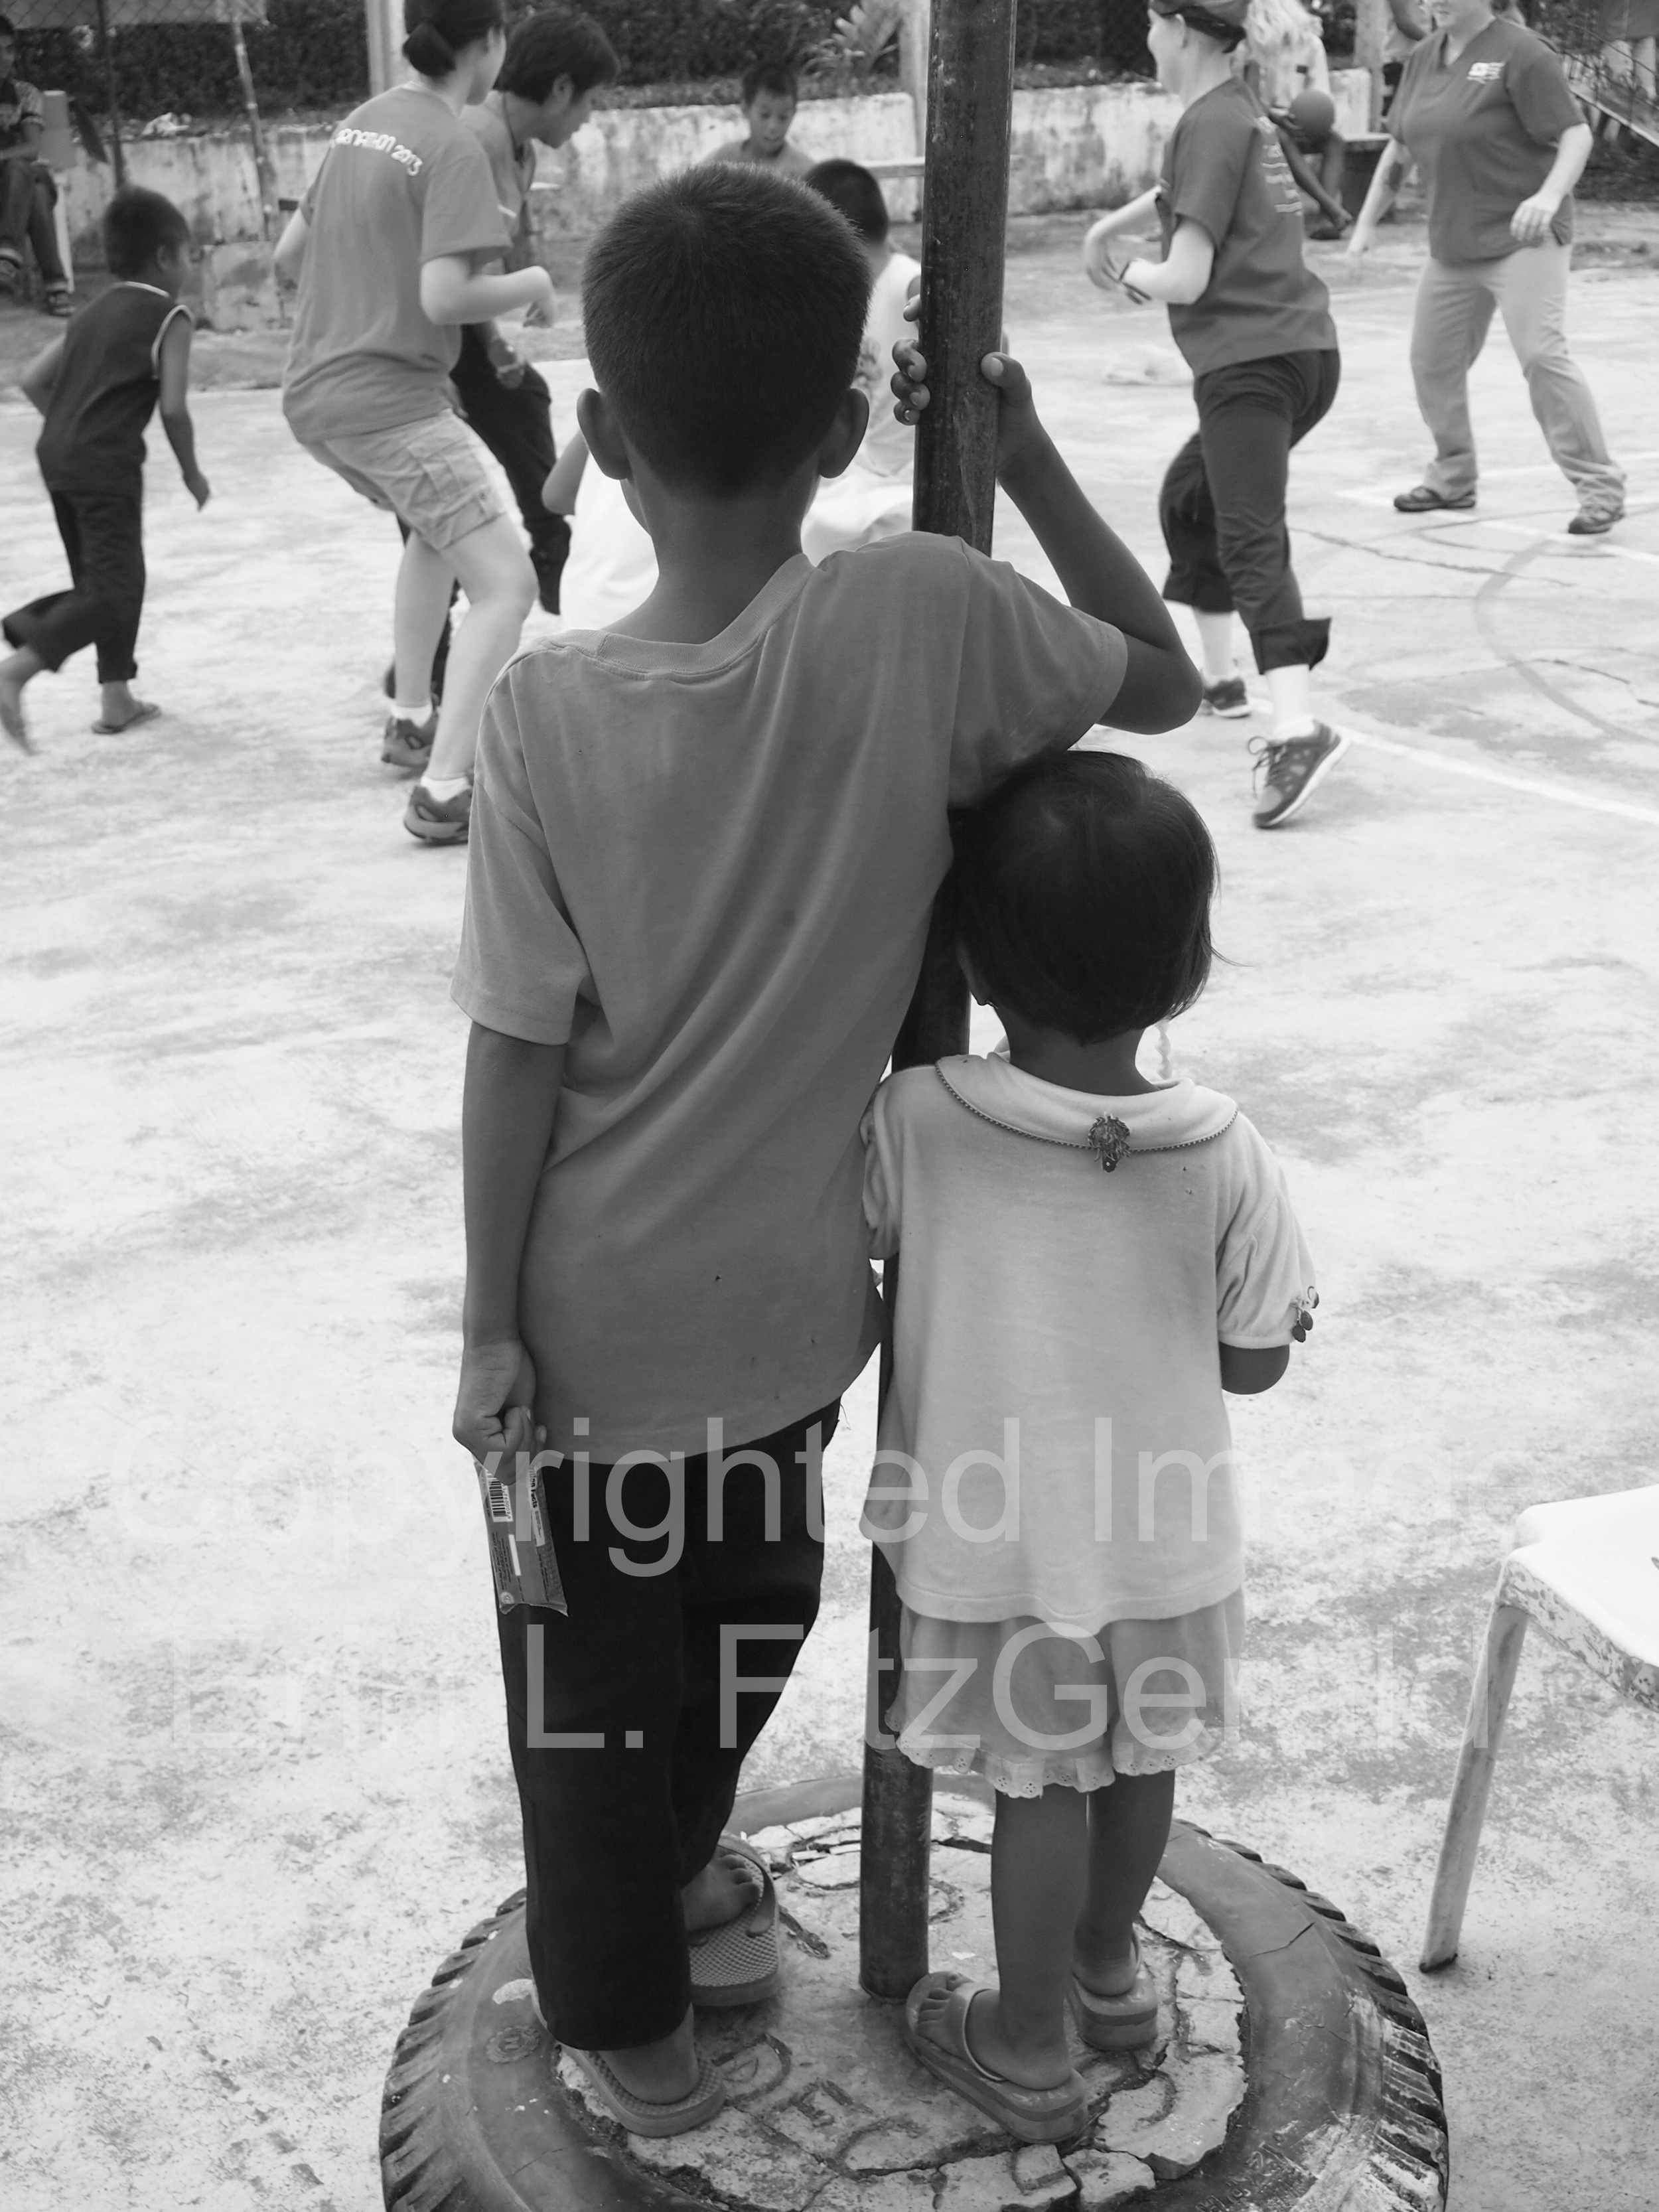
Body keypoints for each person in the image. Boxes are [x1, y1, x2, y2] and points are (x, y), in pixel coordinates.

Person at [448, 163, 1198, 2138]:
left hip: (589, 1343)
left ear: (599, 444)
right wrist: (1020, 459)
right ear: (849, 437)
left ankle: (628, 2017)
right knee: (740, 1624)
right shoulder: (914, 612)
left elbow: (515, 1053)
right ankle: (664, 1899)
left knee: (594, 1704)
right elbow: (1171, 680)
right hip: (798, 1327)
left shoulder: (536, 721)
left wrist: (480, 1324)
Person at [861, 748, 1314, 2141]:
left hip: (1001, 1543)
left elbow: (848, 1274)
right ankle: (1111, 1975)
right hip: (1165, 1540)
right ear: (1184, 966)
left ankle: (1027, 2038)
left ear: (977, 961)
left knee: (1033, 1785)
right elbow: (1249, 1359)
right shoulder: (1220, 1146)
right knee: (1136, 1759)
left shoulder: (921, 1115)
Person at [275, 0, 556, 847]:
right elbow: (446, 296)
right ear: (490, 44)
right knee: (509, 585)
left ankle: (409, 720)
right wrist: (533, 281)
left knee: (437, 534)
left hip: (315, 396)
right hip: (391, 401)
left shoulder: (361, 126)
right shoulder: (454, 141)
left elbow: (291, 257)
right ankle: (444, 790)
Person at [1082, 0, 1347, 831]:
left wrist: (1128, 269)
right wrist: (1107, 226)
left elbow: (1187, 275)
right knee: (1190, 499)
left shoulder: (1209, 119)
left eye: (1154, 23)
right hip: (1301, 354)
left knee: (1247, 533)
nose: (1147, 37)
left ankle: (1298, 727)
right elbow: (1181, 193)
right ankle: (1220, 680)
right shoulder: (1237, 110)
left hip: (1250, 362)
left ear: (1185, 33)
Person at [541, 159, 921, 625]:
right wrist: (1012, 448)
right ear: (844, 431)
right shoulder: (896, 635)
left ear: (601, 432)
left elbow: (555, 496)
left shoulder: (532, 690)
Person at [382, 1, 620, 694]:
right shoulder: (476, 138)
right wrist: (481, 345)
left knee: (524, 405)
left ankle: (552, 560)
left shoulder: (512, 148)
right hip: (428, 343)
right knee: (436, 512)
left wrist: (496, 343)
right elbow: (446, 269)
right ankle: (427, 670)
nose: (587, 120)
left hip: (463, 336)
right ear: (560, 89)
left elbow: (479, 260)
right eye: (589, 102)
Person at [1346, 0, 1626, 537]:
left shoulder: (1522, 51)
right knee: (1432, 362)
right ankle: (1452, 476)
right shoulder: (1426, 55)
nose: (1435, 2)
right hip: (1453, 243)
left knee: (1543, 355)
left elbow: (1576, 134)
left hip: (1523, 236)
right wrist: (1364, 225)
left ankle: (1599, 487)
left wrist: (1548, 195)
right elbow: (1400, 147)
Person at [1, 186, 208, 751]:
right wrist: (192, 472)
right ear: (166, 257)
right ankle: (17, 666)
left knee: (103, 580)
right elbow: (172, 407)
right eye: (190, 254)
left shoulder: (94, 309)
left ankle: (116, 697)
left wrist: (73, 430)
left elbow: (33, 380)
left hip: (58, 456)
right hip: (104, 466)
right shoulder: (171, 316)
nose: (190, 267)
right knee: (115, 588)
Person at [798, 157, 920, 559]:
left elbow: (993, 338)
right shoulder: (839, 300)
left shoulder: (908, 282)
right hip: (858, 477)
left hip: (907, 484)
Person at [0, 14, 70, 315]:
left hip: (23, 176)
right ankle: (56, 286)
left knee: (21, 170)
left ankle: (7, 254)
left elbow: (31, 148)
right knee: (37, 196)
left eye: (9, 50)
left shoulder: (26, 93)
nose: (4, 59)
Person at [706, 59, 814, 179]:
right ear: (745, 108)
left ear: (794, 113)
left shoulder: (805, 174)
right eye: (765, 115)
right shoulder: (721, 163)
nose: (773, 127)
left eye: (783, 117)